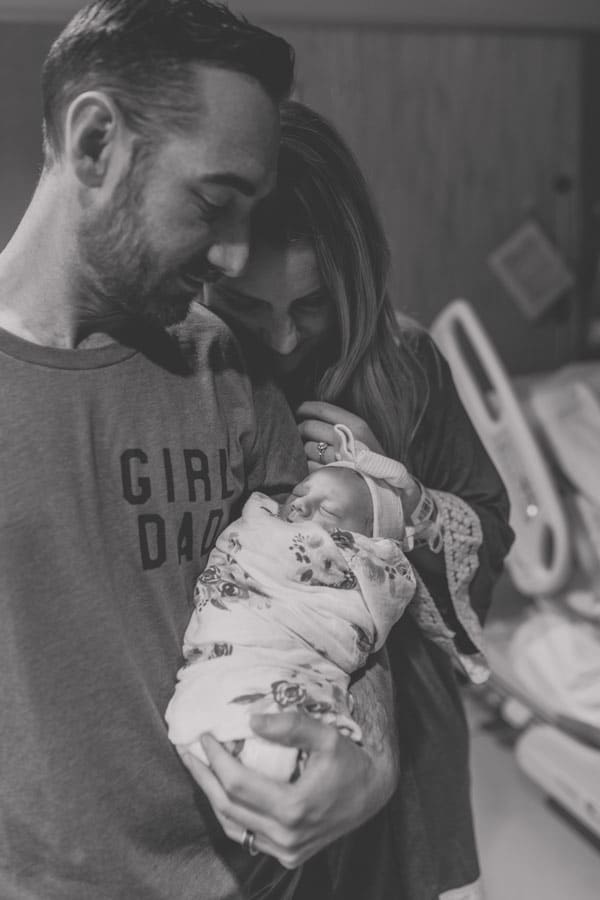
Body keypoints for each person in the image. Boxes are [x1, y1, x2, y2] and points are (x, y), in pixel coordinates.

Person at [0, 5, 400, 899]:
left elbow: (332, 609)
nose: (232, 253)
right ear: (95, 141)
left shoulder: (224, 358)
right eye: (215, 203)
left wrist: (372, 754)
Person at [204, 100, 515, 899]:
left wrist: (397, 505)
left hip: (406, 750)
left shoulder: (406, 364)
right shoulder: (189, 375)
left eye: (311, 306)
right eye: (249, 308)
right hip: (243, 729)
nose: (281, 341)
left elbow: (489, 529)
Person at [166, 428, 429, 785]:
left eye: (330, 511)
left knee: (289, 716)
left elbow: (361, 607)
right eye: (302, 492)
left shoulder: (361, 560)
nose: (301, 505)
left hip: (298, 659)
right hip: (238, 640)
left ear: (367, 540)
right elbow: (246, 547)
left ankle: (267, 746)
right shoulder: (267, 517)